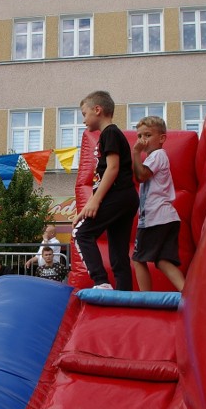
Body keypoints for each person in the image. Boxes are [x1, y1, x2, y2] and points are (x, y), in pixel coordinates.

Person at [72, 90, 138, 291]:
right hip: (126, 198)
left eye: (84, 114)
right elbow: (99, 179)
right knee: (118, 252)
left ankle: (101, 281)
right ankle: (124, 294)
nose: (83, 120)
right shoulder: (110, 134)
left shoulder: (109, 133)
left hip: (117, 195)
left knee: (81, 234)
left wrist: (95, 201)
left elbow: (113, 168)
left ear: (97, 110)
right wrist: (84, 209)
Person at [132, 116, 185, 292]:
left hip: (156, 218)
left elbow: (141, 176)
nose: (142, 140)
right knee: (162, 261)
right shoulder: (152, 158)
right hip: (166, 217)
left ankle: (144, 297)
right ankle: (186, 292)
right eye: (139, 136)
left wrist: (134, 153)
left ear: (162, 138)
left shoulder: (158, 155)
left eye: (147, 135)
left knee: (138, 258)